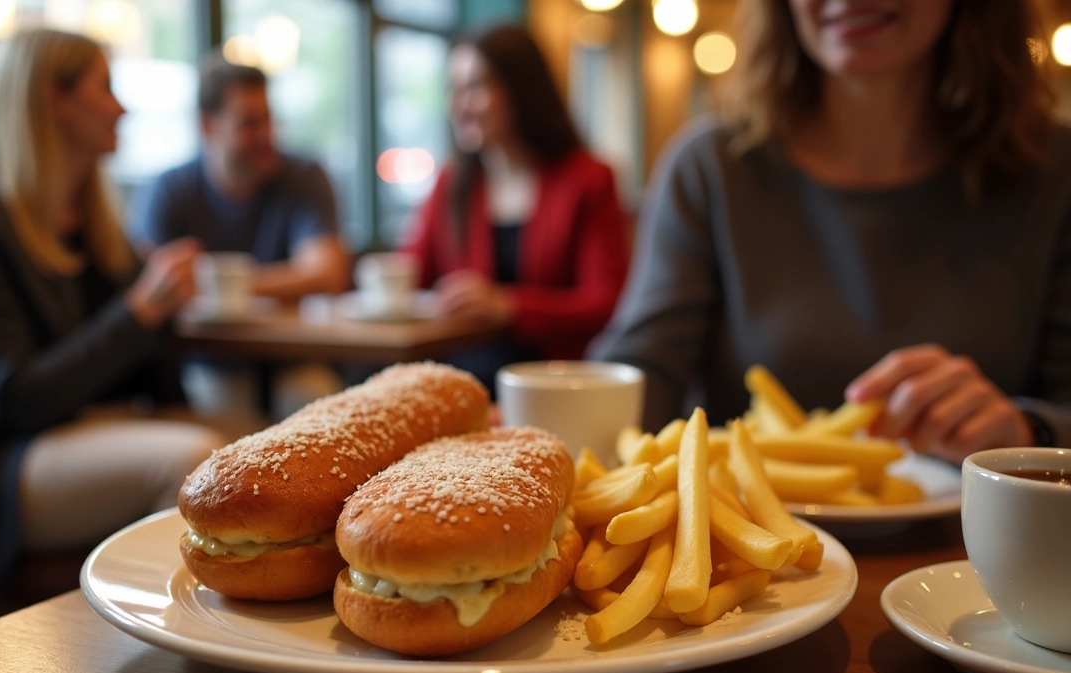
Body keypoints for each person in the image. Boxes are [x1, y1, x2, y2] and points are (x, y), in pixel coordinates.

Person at [588, 0, 1071, 463]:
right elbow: (641, 372)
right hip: (751, 544)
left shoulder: (1056, 173)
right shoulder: (709, 169)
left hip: (981, 546)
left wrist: (1029, 431)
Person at [0, 29, 227, 590]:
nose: (121, 107)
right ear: (56, 99)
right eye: (105, 87)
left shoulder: (91, 225)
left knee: (269, 449)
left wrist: (159, 316)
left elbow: (149, 368)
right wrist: (140, 311)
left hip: (88, 430)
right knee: (196, 460)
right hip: (1, 465)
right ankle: (189, 654)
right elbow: (17, 397)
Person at [403, 23, 631, 392]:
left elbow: (607, 304)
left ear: (522, 91)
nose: (458, 105)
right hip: (461, 374)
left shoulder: (589, 179)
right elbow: (409, 274)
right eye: (454, 89)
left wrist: (510, 306)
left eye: (475, 87)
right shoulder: (451, 183)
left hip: (555, 381)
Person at [132, 56, 350, 419]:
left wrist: (216, 285)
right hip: (210, 362)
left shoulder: (304, 176)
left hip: (293, 359)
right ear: (208, 126)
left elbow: (328, 274)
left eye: (268, 120)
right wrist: (283, 281)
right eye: (249, 123)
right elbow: (153, 289)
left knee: (318, 409)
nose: (266, 135)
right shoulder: (169, 190)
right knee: (219, 428)